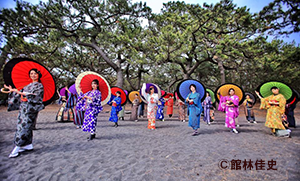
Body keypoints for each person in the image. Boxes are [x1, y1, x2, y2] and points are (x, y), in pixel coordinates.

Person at [4, 69, 44, 158]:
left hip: (30, 109)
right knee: (22, 126)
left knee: (24, 127)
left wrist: (24, 94)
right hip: (23, 108)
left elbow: (36, 97)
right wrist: (11, 90)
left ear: (38, 75)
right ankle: (28, 145)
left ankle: (17, 147)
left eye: (35, 73)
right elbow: (19, 92)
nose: (33, 75)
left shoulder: (39, 86)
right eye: (31, 73)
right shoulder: (28, 85)